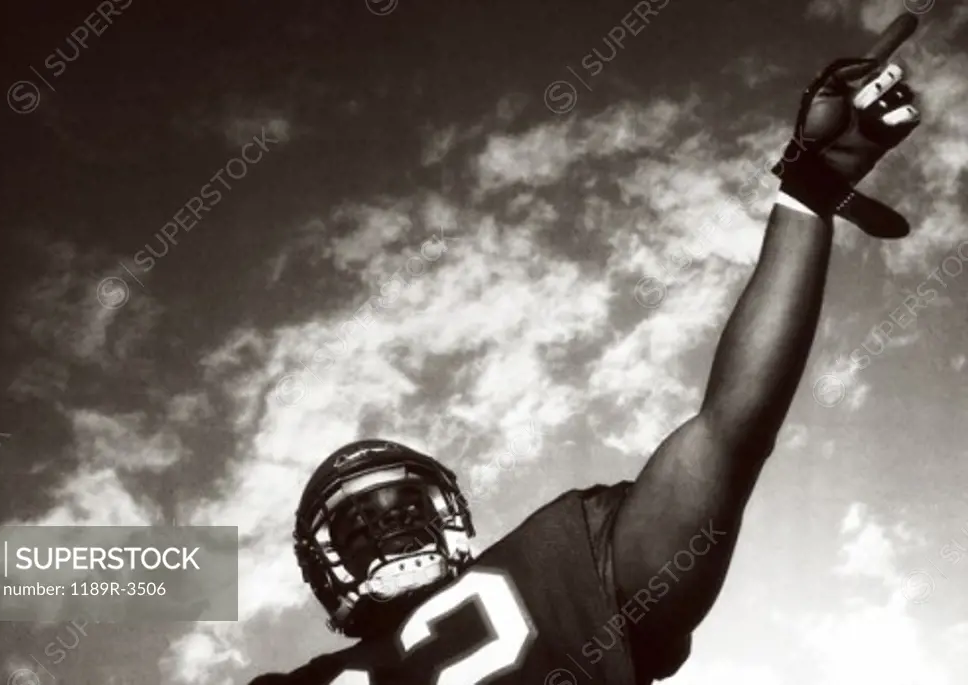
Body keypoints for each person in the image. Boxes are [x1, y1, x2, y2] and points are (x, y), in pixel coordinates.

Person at [252, 14, 923, 685]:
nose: (391, 527)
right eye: (361, 522)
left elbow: (728, 431)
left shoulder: (551, 568)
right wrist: (807, 193)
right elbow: (729, 432)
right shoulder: (538, 572)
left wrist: (808, 193)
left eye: (401, 506)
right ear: (323, 560)